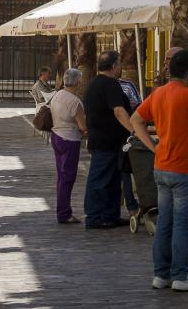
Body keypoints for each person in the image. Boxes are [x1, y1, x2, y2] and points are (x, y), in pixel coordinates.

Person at [131, 49, 188, 292]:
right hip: (184, 170)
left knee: (164, 223)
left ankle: (161, 275)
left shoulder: (158, 93)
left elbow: (135, 119)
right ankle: (180, 276)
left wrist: (152, 147)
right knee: (182, 225)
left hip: (162, 166)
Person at [82, 49, 132, 228]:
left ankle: (111, 215)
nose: (121, 67)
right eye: (119, 64)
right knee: (100, 179)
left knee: (112, 180)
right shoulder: (109, 84)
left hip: (105, 140)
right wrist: (134, 130)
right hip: (106, 142)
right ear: (113, 66)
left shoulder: (94, 83)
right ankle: (94, 216)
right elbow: (119, 111)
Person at [49, 67, 87, 224]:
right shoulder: (74, 101)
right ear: (78, 82)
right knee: (68, 177)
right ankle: (64, 212)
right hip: (69, 139)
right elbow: (83, 127)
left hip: (56, 135)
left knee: (61, 176)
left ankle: (62, 209)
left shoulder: (57, 95)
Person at [118, 75, 141, 217]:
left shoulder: (97, 84)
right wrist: (134, 130)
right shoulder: (127, 86)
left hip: (115, 136)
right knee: (126, 171)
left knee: (124, 172)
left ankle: (131, 207)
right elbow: (138, 107)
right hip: (127, 135)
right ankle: (133, 207)